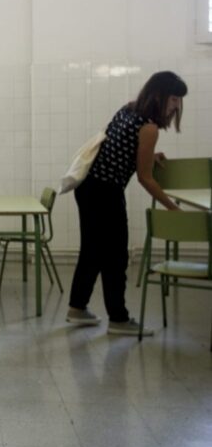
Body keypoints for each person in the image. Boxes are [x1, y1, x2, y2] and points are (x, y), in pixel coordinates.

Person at [67, 70, 187, 336]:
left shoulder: (129, 110)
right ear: (159, 95)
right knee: (116, 257)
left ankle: (77, 307)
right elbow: (146, 179)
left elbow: (118, 147)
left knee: (92, 251)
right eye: (173, 99)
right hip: (106, 192)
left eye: (179, 100)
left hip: (88, 187)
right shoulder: (149, 128)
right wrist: (173, 207)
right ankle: (119, 320)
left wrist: (149, 155)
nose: (176, 105)